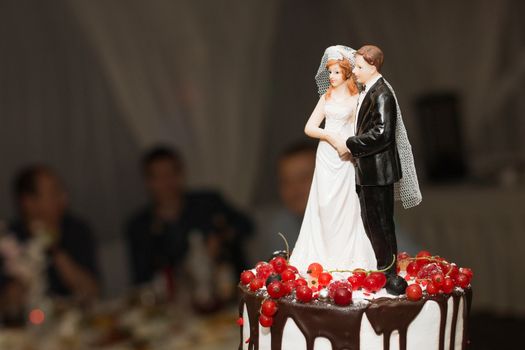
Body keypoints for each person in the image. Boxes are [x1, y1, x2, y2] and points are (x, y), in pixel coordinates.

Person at [289, 46, 377, 273]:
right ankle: (323, 254)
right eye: (330, 72)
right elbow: (309, 127)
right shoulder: (325, 98)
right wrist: (329, 135)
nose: (332, 77)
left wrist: (350, 145)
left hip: (346, 155)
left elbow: (363, 128)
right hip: (327, 154)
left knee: (346, 202)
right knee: (325, 202)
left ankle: (347, 258)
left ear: (347, 73)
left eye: (337, 72)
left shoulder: (357, 98)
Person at [125, 146, 253, 289]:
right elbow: (141, 280)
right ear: (148, 182)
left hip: (229, 292)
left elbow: (246, 225)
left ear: (181, 174)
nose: (166, 182)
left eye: (171, 174)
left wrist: (220, 237)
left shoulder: (208, 203)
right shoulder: (140, 226)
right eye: (158, 177)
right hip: (174, 302)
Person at [345, 45, 421, 283]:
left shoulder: (382, 93)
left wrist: (352, 142)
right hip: (368, 171)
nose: (355, 71)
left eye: (359, 67)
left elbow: (383, 133)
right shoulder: (368, 91)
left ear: (372, 66)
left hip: (379, 172)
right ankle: (381, 267)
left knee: (381, 224)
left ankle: (389, 273)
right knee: (371, 222)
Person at [7, 165, 100, 301]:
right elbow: (6, 304)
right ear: (28, 202)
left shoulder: (77, 229)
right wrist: (29, 262)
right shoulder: (9, 240)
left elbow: (92, 293)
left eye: (61, 190)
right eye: (53, 193)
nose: (63, 198)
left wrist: (55, 249)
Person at [249, 142, 316, 263]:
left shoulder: (351, 219)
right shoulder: (278, 229)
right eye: (286, 182)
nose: (295, 189)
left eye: (304, 178)